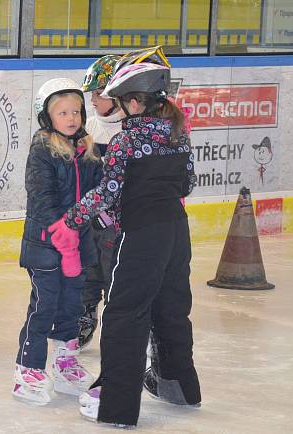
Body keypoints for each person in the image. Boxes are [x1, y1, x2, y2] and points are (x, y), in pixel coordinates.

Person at [47, 62, 201, 427]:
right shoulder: (178, 132)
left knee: (124, 315)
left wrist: (71, 220)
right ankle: (178, 385)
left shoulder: (126, 140)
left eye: (118, 102)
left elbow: (109, 192)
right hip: (176, 232)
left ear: (134, 103)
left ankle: (115, 405)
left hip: (141, 234)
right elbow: (187, 184)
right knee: (171, 308)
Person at [12, 78, 103, 406]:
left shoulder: (87, 149)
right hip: (46, 246)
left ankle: (65, 364)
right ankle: (28, 368)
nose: (72, 118)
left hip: (79, 244)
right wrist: (59, 228)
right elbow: (40, 194)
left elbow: (99, 189)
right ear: (47, 117)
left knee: (72, 307)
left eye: (76, 111)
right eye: (63, 112)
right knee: (44, 305)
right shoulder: (43, 147)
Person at [77, 54, 124, 348]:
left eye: (98, 94)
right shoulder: (87, 130)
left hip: (116, 226)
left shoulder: (130, 130)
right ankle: (84, 314)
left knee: (113, 275)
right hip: (87, 219)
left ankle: (116, 323)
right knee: (86, 271)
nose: (92, 101)